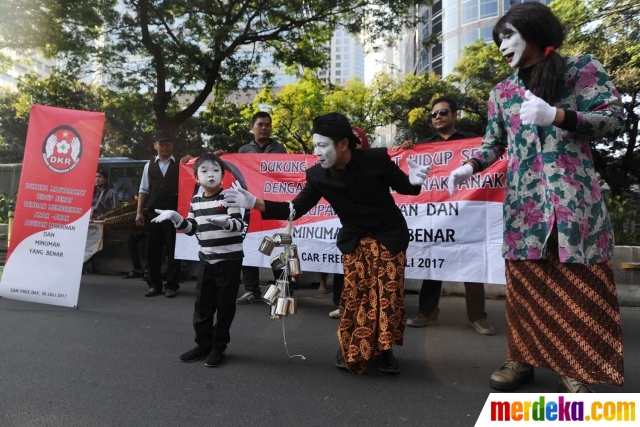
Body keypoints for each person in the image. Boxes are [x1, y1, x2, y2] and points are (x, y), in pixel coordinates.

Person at [447, 3, 624, 393]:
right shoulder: (503, 92)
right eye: (498, 40)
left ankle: (575, 367)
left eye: (508, 35)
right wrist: (469, 166)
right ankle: (521, 359)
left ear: (533, 29)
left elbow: (613, 118)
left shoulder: (581, 69)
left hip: (573, 202)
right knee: (526, 286)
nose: (501, 46)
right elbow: (493, 144)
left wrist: (560, 116)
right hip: (525, 206)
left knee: (577, 285)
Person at [224, 113, 430, 374]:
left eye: (323, 146)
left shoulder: (376, 159)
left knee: (386, 297)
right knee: (355, 297)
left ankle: (384, 351)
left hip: (389, 238)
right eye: (315, 146)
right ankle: (348, 347)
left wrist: (413, 180)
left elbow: (407, 188)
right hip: (355, 241)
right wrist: (255, 203)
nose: (317, 152)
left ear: (343, 144)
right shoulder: (318, 175)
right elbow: (294, 209)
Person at [393, 97, 494, 335]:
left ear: (454, 115)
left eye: (443, 112)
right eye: (434, 114)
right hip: (436, 214)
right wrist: (406, 151)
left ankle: (477, 316)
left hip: (468, 212)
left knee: (473, 261)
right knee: (433, 259)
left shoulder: (472, 142)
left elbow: (489, 161)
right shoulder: (424, 146)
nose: (437, 116)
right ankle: (427, 313)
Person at [153, 153, 245, 367]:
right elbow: (191, 229)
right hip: (206, 260)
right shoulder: (195, 200)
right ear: (196, 177)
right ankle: (203, 344)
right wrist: (176, 218)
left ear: (222, 175)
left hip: (229, 260)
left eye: (215, 170)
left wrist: (225, 223)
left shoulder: (229, 196)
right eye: (204, 171)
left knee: (224, 306)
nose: (210, 175)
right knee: (202, 305)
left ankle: (218, 347)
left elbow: (239, 225)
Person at [323, 126, 370, 318]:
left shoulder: (373, 163)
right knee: (348, 265)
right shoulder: (333, 166)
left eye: (357, 139)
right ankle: (344, 304)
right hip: (349, 228)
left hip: (374, 229)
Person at [135, 130, 181, 298]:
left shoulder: (180, 164)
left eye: (168, 144)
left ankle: (171, 285)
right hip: (153, 211)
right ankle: (154, 284)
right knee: (152, 248)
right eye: (161, 144)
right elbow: (143, 189)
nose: (165, 147)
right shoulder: (149, 165)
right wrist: (139, 211)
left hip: (174, 212)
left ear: (172, 146)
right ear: (155, 146)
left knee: (173, 249)